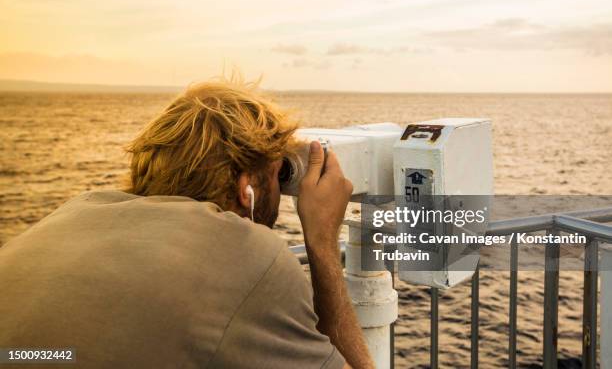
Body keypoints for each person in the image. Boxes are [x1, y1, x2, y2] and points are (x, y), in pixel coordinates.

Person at [0, 76, 374, 368]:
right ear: (247, 188)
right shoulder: (248, 256)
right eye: (277, 175)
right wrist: (323, 240)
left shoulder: (75, 211)